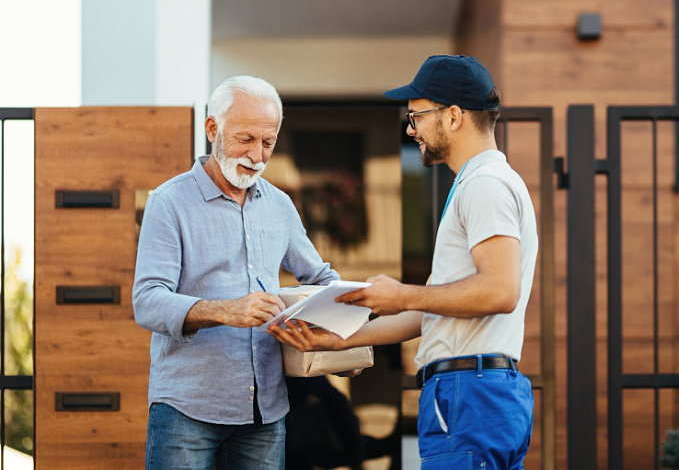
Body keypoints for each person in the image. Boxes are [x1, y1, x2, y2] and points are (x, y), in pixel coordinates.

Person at [270, 55, 539, 469]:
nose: (410, 128)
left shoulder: (485, 185)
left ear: (452, 116)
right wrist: (339, 341)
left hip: (469, 393)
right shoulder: (481, 183)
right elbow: (430, 310)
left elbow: (500, 291)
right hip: (477, 393)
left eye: (416, 115)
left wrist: (398, 294)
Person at [133, 75, 341, 470]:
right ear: (212, 129)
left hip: (265, 411)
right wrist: (226, 311)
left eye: (268, 143)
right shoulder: (169, 203)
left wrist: (343, 342)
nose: (258, 156)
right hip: (185, 410)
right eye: (246, 139)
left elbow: (322, 280)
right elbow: (147, 303)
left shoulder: (279, 206)